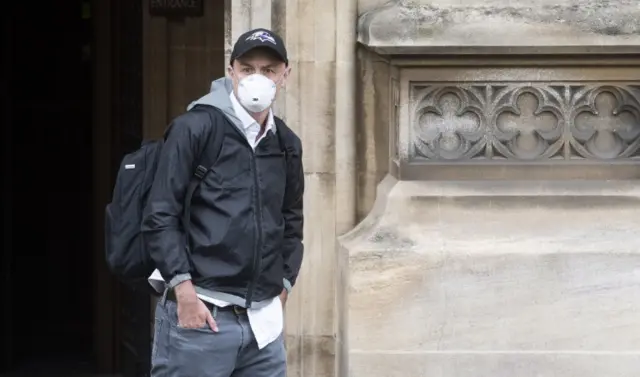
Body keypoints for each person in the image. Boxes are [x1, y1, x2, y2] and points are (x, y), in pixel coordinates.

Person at [142, 28, 304, 377]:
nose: (257, 78)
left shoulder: (287, 143)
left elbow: (291, 221)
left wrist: (284, 288)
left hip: (263, 328)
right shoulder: (195, 128)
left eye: (269, 70)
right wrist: (184, 294)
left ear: (285, 75)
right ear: (231, 71)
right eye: (248, 69)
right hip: (200, 318)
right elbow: (160, 215)